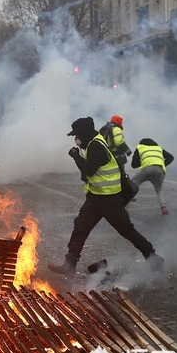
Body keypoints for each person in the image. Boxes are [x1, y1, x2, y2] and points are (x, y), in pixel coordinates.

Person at [48, 117, 164, 276]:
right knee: (80, 227)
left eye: (77, 135)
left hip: (109, 199)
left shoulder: (96, 146)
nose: (76, 139)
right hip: (96, 198)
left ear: (84, 133)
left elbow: (89, 170)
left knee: (126, 230)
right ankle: (70, 264)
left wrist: (75, 155)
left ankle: (153, 258)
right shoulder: (93, 142)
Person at [131, 138, 174, 215]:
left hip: (146, 169)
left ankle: (124, 206)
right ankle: (163, 207)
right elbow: (171, 157)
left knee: (132, 185)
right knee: (159, 189)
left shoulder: (140, 147)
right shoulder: (158, 148)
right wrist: (162, 163)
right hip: (159, 170)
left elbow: (133, 164)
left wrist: (144, 161)